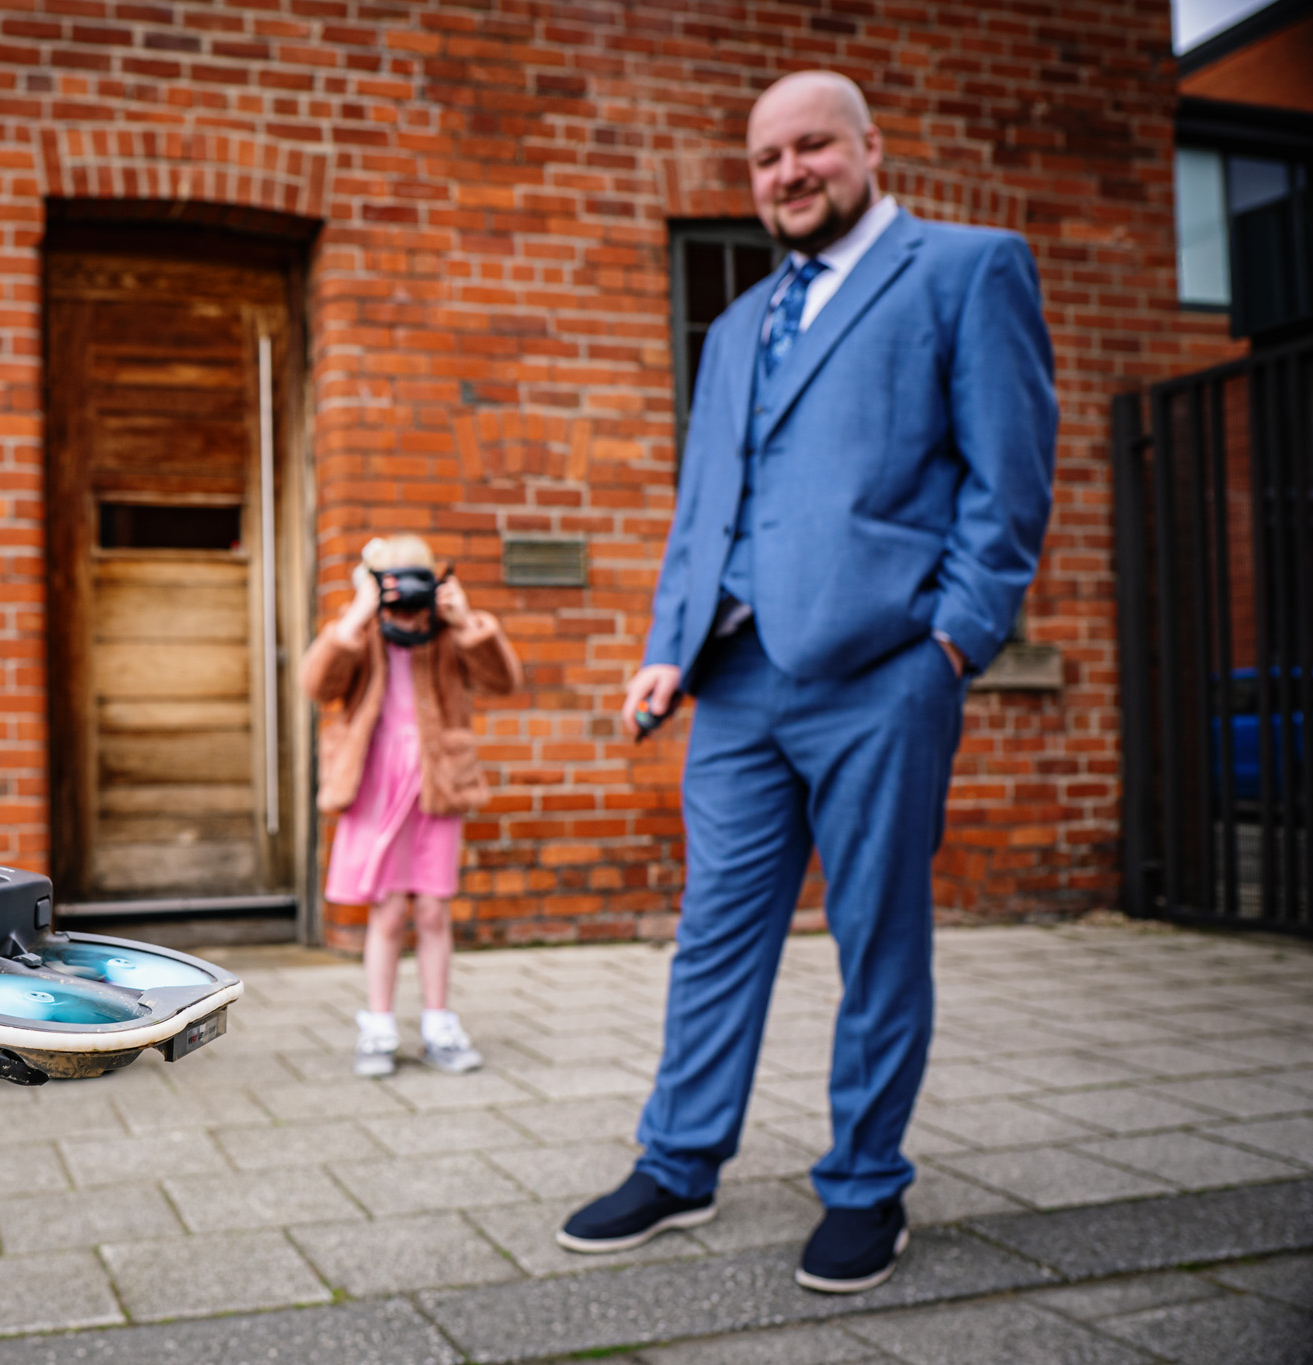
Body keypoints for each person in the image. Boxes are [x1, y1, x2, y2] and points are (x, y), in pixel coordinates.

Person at [558, 71, 1056, 1293]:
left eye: (810, 147)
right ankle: (677, 1162)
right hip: (730, 685)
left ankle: (865, 1185)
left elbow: (1010, 480)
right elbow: (703, 511)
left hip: (882, 672)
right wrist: (667, 644)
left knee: (876, 936)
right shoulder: (733, 327)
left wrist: (953, 642)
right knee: (712, 936)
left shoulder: (964, 269)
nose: (786, 173)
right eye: (764, 158)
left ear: (867, 147)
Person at [300, 534, 522, 1078]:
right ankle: (378, 1025)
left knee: (432, 908)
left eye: (415, 580)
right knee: (389, 908)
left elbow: (504, 681)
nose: (404, 596)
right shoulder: (365, 634)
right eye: (391, 582)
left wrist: (466, 621)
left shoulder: (448, 635)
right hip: (376, 784)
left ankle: (439, 1023)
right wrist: (356, 616)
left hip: (436, 783)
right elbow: (316, 684)